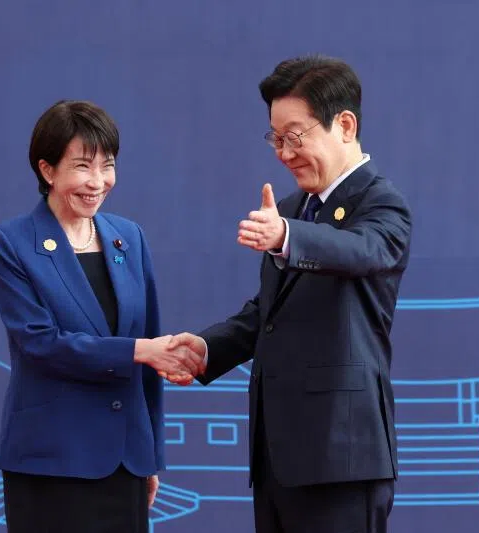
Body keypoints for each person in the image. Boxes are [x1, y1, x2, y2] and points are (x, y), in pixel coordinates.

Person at [168, 56, 412, 533]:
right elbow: (270, 312)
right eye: (276, 139)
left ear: (344, 125)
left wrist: (287, 237)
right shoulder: (291, 208)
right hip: (279, 459)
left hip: (342, 459)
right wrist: (206, 349)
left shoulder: (381, 202)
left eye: (295, 136)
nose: (283, 152)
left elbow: (363, 251)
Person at [0, 100, 204, 533]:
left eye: (108, 166)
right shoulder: (9, 244)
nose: (98, 182)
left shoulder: (128, 237)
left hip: (125, 461)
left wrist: (150, 454)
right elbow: (40, 343)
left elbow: (150, 351)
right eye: (83, 166)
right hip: (51, 461)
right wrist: (141, 351)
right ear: (48, 171)